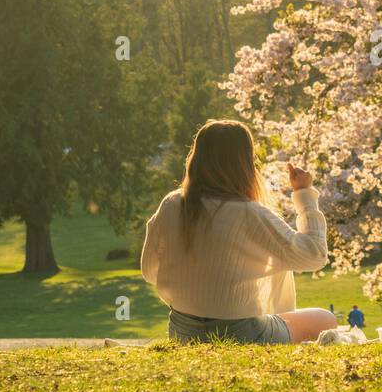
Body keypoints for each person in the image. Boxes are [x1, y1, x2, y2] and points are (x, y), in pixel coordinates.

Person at [140, 119, 336, 344]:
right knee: (326, 319)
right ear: (245, 163)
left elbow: (150, 272)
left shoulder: (171, 204)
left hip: (182, 331)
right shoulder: (249, 212)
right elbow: (315, 256)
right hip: (241, 333)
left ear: (196, 158)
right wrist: (304, 193)